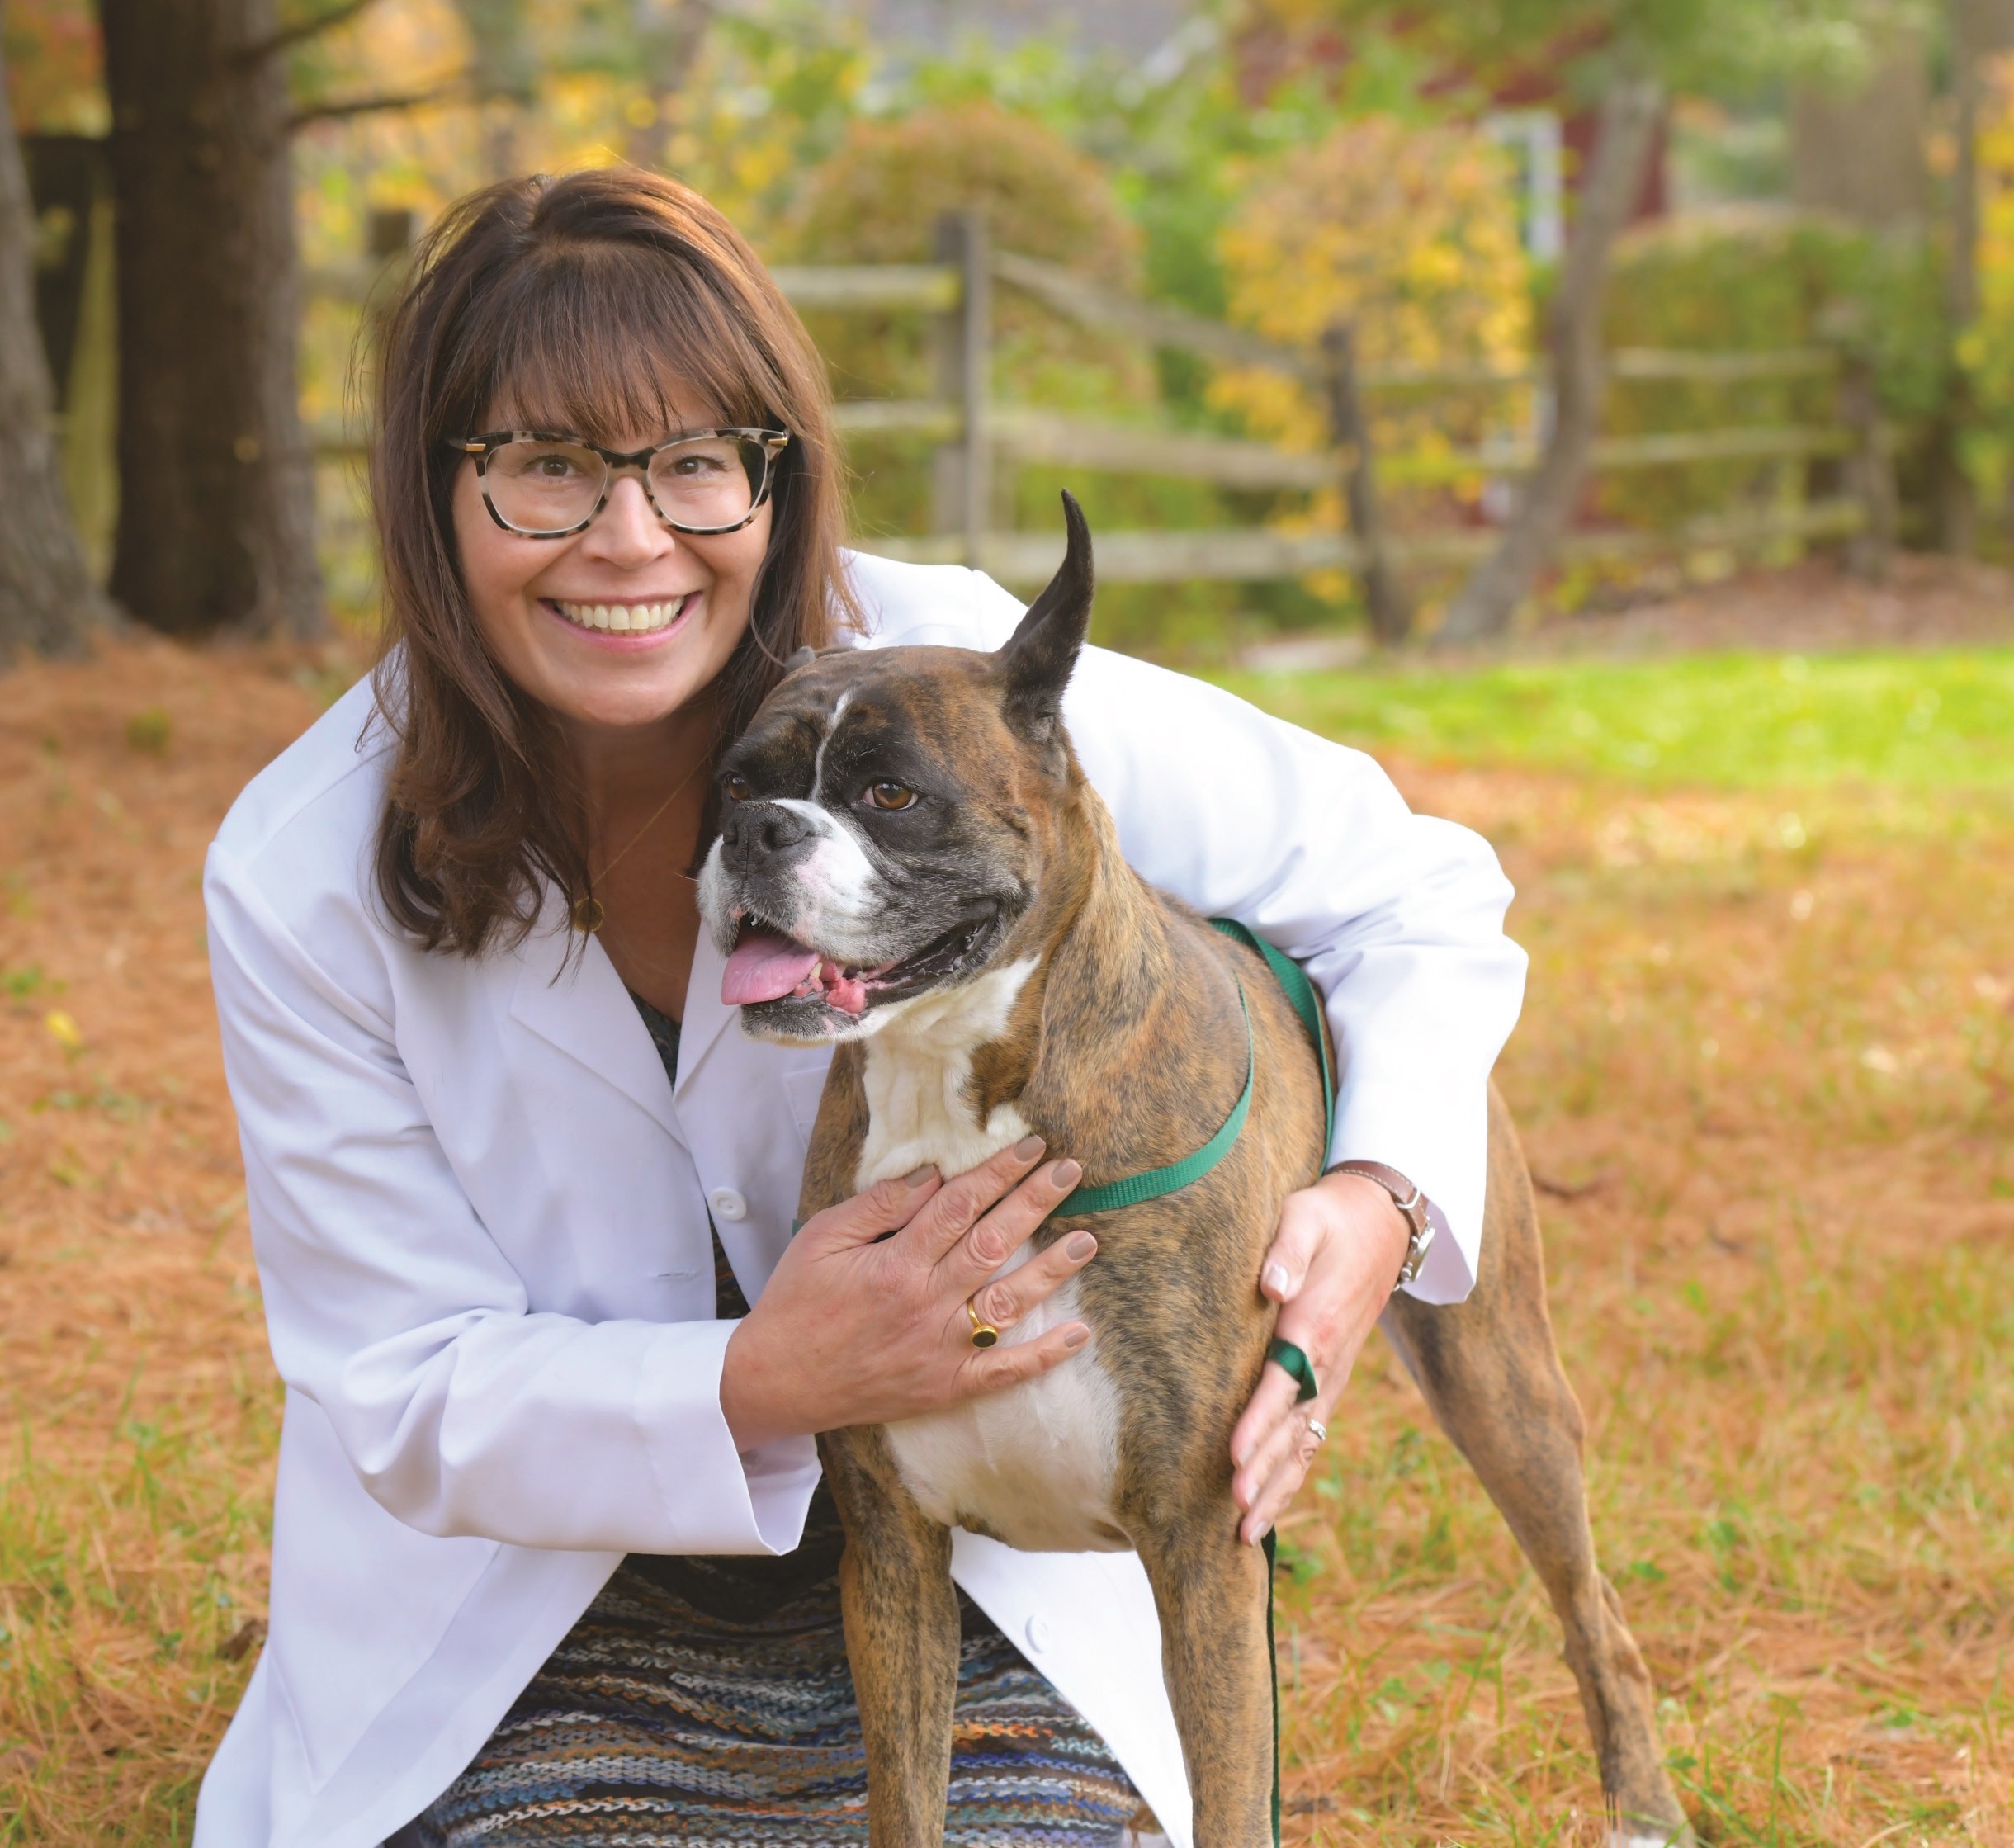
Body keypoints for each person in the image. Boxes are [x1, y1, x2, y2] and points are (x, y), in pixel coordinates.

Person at [196, 168, 1523, 1847]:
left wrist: (1374, 1203)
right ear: (429, 493)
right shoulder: (301, 866)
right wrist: (764, 1375)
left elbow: (1408, 888)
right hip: (533, 1613)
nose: (628, 539)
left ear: (778, 475)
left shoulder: (953, 680)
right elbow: (396, 1387)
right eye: (542, 467)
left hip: (974, 1568)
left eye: (692, 462)